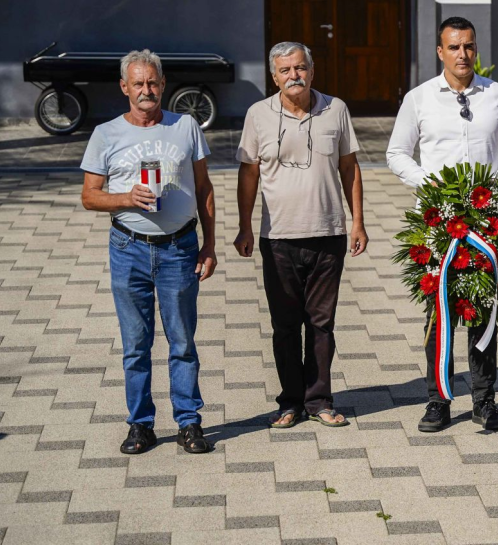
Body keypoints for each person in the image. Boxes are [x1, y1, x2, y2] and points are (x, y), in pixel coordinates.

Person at [387, 16, 498, 433]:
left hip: (487, 222)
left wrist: (496, 184)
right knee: (440, 314)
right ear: (440, 52)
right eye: (454, 47)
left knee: (483, 311)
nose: (462, 54)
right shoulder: (419, 98)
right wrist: (429, 185)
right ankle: (438, 400)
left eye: (468, 46)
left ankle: (484, 401)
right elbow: (397, 154)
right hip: (439, 224)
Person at [80, 49, 217, 455]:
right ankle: (140, 424)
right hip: (129, 248)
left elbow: (204, 188)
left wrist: (209, 244)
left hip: (179, 247)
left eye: (153, 82)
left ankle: (189, 423)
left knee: (182, 341)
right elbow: (89, 196)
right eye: (138, 83)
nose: (147, 90)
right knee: (136, 345)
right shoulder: (106, 134)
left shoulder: (185, 126)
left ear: (163, 84)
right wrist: (126, 198)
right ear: (124, 87)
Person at [235, 42, 368, 429]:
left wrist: (357, 222)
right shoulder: (258, 115)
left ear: (312, 70)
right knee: (285, 326)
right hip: (278, 238)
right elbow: (248, 174)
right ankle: (290, 401)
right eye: (285, 70)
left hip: (328, 233)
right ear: (274, 77)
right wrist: (244, 225)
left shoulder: (336, 109)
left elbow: (349, 167)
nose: (294, 75)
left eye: (300, 68)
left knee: (322, 324)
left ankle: (320, 400)